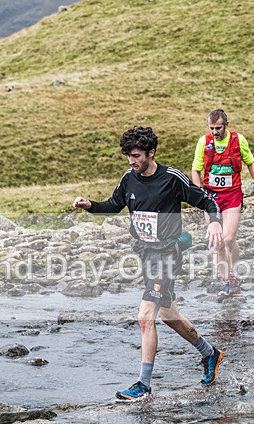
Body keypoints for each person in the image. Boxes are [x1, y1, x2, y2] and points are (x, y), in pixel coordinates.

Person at [73, 126, 226, 402]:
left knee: (145, 317)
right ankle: (210, 353)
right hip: (146, 254)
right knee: (168, 316)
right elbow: (114, 204)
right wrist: (90, 205)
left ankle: (143, 385)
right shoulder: (128, 179)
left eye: (136, 156)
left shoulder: (171, 178)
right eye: (129, 157)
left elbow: (208, 200)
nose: (131, 162)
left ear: (150, 153)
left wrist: (215, 222)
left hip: (167, 255)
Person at [191, 109, 254, 296]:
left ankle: (233, 272)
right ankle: (225, 281)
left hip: (232, 196)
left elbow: (251, 163)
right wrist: (200, 193)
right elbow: (195, 170)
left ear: (226, 125)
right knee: (218, 242)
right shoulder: (203, 142)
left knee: (229, 238)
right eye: (212, 128)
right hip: (211, 198)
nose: (215, 132)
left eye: (218, 128)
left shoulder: (238, 140)